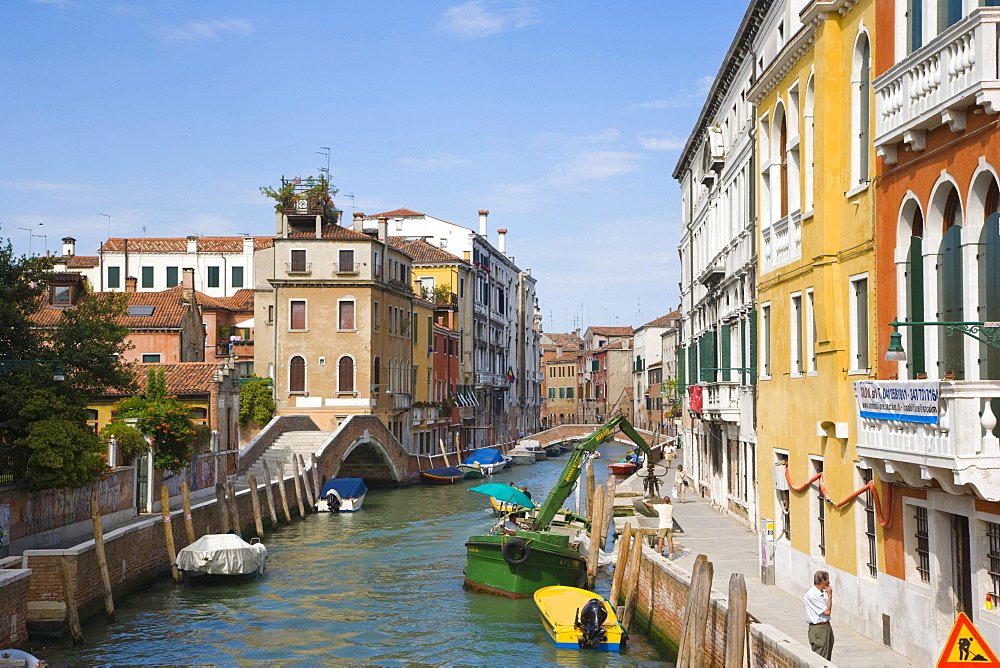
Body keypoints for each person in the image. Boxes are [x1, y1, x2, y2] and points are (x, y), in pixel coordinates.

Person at [803, 570, 834, 660]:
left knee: (827, 656)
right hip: (818, 629)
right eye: (828, 580)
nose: (829, 582)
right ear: (823, 581)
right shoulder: (812, 595)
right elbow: (827, 612)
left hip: (826, 627)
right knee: (820, 658)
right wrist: (830, 596)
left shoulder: (822, 593)